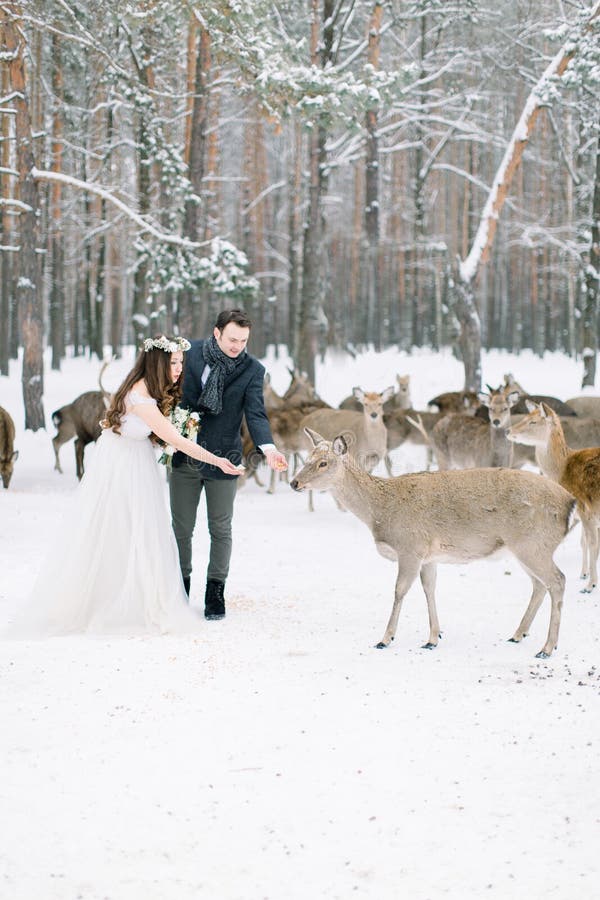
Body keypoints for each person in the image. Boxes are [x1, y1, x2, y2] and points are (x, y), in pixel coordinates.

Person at [10, 335, 242, 637]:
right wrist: (217, 460)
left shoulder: (147, 388)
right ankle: (115, 598)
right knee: (122, 528)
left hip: (134, 459)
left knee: (138, 529)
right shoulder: (140, 396)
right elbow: (176, 439)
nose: (178, 369)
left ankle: (131, 589)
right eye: (173, 363)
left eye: (181, 363)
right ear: (157, 363)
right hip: (123, 467)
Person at [169, 308, 287, 620]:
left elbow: (256, 414)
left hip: (225, 458)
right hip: (185, 454)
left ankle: (215, 592)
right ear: (217, 332)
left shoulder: (252, 370)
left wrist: (268, 448)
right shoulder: (188, 353)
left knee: (220, 527)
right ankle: (178, 589)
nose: (237, 346)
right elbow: (165, 390)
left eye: (244, 340)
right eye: (232, 339)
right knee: (181, 527)